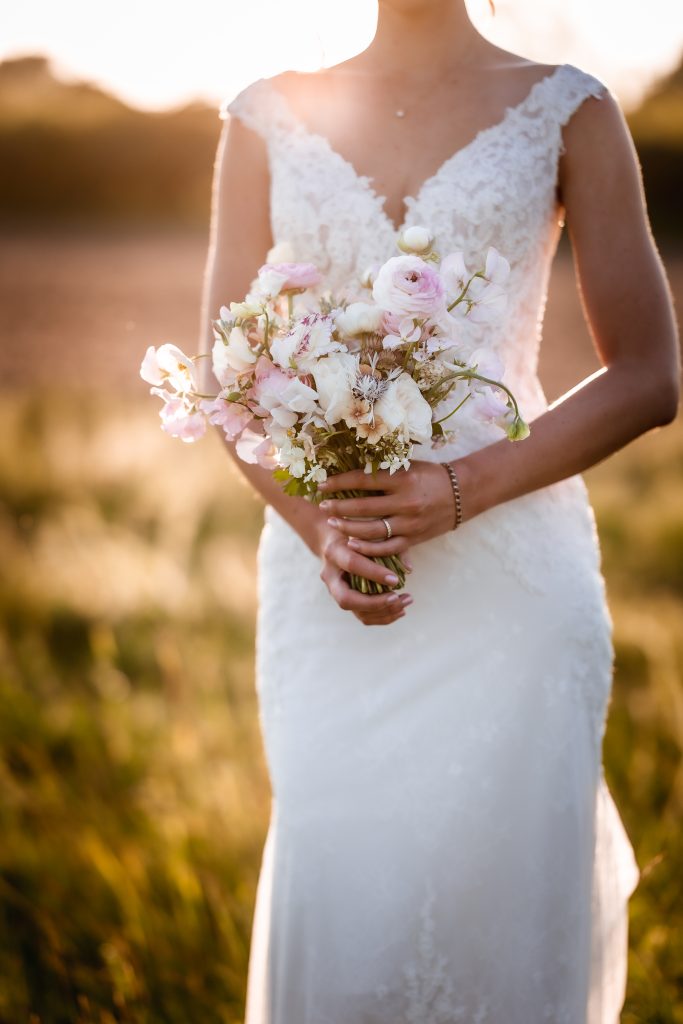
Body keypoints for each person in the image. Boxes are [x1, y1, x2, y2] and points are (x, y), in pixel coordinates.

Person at [198, 0, 680, 1020]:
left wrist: (456, 491)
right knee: (346, 909)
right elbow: (224, 378)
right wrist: (323, 529)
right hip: (332, 580)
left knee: (499, 918)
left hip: (515, 585)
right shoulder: (261, 117)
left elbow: (646, 373)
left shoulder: (569, 111)